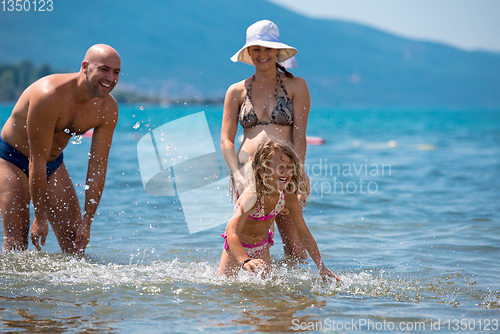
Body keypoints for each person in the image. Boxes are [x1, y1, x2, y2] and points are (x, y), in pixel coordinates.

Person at [0, 44, 121, 254]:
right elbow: (36, 160)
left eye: (116, 72)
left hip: (52, 163)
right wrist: (40, 217)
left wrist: (88, 220)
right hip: (12, 159)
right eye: (104, 69)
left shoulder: (108, 109)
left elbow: (98, 167)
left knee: (76, 247)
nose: (110, 78)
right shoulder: (49, 95)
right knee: (17, 245)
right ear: (85, 66)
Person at [221, 20, 311, 259]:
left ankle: (290, 295)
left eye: (267, 48)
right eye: (257, 48)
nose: (262, 54)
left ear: (277, 52)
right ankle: (250, 292)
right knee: (250, 240)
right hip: (248, 173)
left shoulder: (297, 86)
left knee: (295, 248)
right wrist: (238, 176)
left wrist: (298, 172)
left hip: (284, 170)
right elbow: (226, 141)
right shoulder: (236, 90)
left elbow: (299, 134)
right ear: (249, 52)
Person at [218, 140, 340, 281]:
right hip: (237, 247)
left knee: (266, 292)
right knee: (225, 287)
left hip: (261, 247)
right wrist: (244, 260)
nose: (286, 172)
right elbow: (231, 231)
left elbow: (304, 233)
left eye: (289, 167)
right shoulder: (252, 195)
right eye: (280, 167)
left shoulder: (287, 196)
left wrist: (320, 265)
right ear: (262, 170)